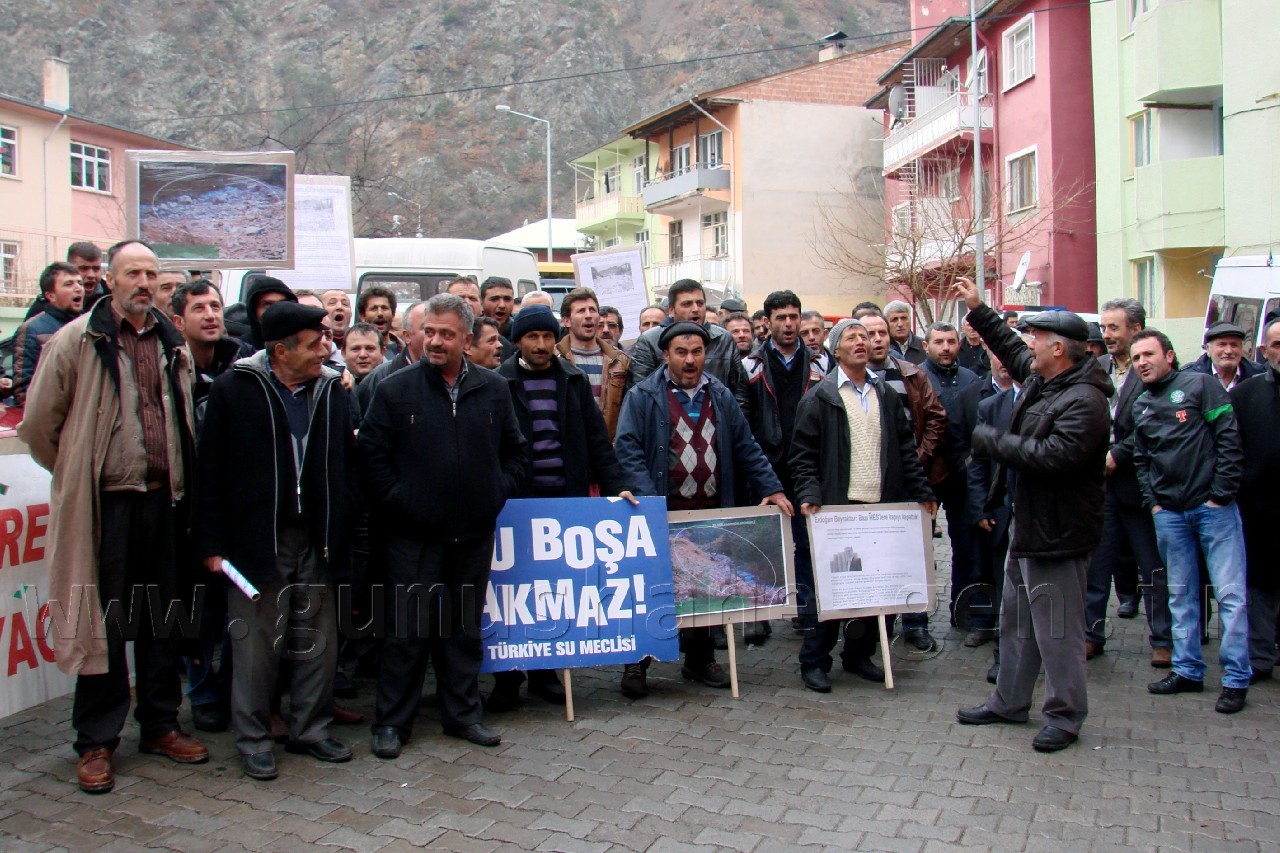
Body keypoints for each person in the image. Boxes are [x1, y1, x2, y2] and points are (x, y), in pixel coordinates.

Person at [19, 240, 207, 793]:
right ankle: (97, 740)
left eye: (151, 273)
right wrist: (79, 469)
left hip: (165, 501)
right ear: (110, 280)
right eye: (132, 273)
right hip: (107, 507)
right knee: (102, 623)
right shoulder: (78, 339)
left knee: (163, 619)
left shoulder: (171, 340)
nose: (143, 283)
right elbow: (39, 426)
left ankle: (160, 725)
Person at [360, 294, 528, 757]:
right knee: (406, 632)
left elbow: (516, 450)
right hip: (413, 536)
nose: (434, 341)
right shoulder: (395, 389)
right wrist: (403, 504)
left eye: (446, 334)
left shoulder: (493, 389)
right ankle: (392, 722)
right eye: (429, 332)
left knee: (462, 631)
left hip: (472, 534)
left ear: (467, 340)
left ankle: (462, 715)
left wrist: (495, 493)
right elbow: (371, 457)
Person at [196, 301, 357, 779]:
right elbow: (210, 471)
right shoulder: (234, 389)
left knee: (319, 641)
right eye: (313, 345)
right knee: (254, 645)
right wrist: (212, 544)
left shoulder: (331, 390)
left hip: (319, 538)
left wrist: (345, 522)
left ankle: (311, 729)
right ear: (281, 351)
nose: (324, 351)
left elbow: (348, 464)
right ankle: (253, 739)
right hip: (256, 540)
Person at [952, 277, 1112, 753]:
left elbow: (1054, 458)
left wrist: (991, 440)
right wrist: (979, 309)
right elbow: (1009, 348)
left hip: (1058, 534)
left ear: (1058, 348)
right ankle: (1010, 702)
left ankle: (1064, 716)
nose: (1028, 346)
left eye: (1036, 339)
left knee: (1058, 631)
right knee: (1018, 622)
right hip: (1029, 526)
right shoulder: (1049, 380)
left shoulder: (1085, 400)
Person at [614, 322, 792, 697]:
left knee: (702, 585)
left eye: (697, 352)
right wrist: (649, 502)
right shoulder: (643, 395)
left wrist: (772, 487)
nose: (690, 359)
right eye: (681, 352)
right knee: (652, 588)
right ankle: (637, 662)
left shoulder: (720, 394)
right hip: (661, 510)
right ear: (666, 355)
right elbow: (627, 449)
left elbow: (745, 446)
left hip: (709, 509)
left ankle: (699, 659)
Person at [488, 304, 639, 710]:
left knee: (553, 592)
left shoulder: (572, 380)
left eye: (546, 337)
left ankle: (545, 673)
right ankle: (507, 678)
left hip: (563, 505)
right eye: (532, 337)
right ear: (518, 341)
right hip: (516, 506)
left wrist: (618, 488)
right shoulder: (498, 382)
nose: (540, 345)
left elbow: (596, 441)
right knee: (513, 593)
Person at [789, 319, 936, 692]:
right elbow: (803, 456)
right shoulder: (820, 397)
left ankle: (858, 655)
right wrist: (809, 494)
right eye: (850, 337)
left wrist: (921, 491)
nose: (860, 342)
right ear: (835, 350)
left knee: (874, 590)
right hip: (837, 512)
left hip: (881, 510)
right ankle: (814, 661)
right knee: (829, 590)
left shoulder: (885, 394)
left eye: (864, 336)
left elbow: (905, 449)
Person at [1131, 329, 1250, 714]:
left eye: (1149, 354)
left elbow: (1229, 440)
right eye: (1136, 358)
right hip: (1170, 515)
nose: (1142, 363)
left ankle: (1236, 679)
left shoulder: (1200, 386)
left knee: (1230, 595)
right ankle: (1187, 670)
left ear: (1169, 355)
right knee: (1180, 596)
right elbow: (1141, 459)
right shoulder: (1141, 405)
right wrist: (1154, 504)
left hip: (1213, 510)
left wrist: (1220, 494)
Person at [169, 277, 246, 732]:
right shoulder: (167, 367)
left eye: (215, 305)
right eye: (199, 308)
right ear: (179, 320)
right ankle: (201, 694)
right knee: (197, 609)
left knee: (237, 606)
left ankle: (235, 688)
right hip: (185, 507)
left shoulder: (242, 364)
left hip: (234, 505)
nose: (211, 314)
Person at [1086, 298, 1171, 665]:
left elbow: (1156, 423)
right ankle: (1091, 634)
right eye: (1104, 327)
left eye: (1114, 328)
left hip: (1139, 486)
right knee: (1096, 566)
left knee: (1152, 567)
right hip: (1100, 488)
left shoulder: (1151, 371)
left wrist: (1118, 454)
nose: (1106, 335)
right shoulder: (1098, 368)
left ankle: (1162, 639)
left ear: (1136, 329)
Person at [743, 291, 828, 648]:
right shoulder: (750, 365)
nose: (789, 324)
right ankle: (758, 613)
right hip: (767, 465)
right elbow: (743, 418)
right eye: (781, 318)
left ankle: (806, 610)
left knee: (807, 543)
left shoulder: (820, 364)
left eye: (794, 316)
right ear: (767, 322)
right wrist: (756, 467)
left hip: (807, 466)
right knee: (761, 543)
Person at [861, 312, 949, 647]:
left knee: (914, 552)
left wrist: (919, 456)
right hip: (871, 481)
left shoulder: (912, 373)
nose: (878, 339)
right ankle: (878, 622)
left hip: (912, 478)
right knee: (875, 555)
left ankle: (916, 623)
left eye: (882, 333)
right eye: (870, 334)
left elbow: (936, 417)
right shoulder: (848, 379)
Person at [922, 322, 981, 649]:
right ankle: (917, 618)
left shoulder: (971, 379)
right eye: (939, 342)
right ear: (926, 345)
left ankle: (963, 609)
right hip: (926, 475)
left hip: (962, 477)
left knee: (966, 545)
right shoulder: (916, 377)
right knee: (920, 548)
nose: (945, 347)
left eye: (951, 341)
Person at [1230, 318, 1280, 683]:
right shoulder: (1245, 395)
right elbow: (1231, 449)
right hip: (1259, 510)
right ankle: (1260, 657)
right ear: (1263, 351)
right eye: (1277, 344)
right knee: (1259, 584)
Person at [967, 346, 1018, 682]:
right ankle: (1005, 657)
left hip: (1044, 517)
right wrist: (982, 507)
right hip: (1003, 513)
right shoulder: (991, 406)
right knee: (1005, 588)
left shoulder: (1053, 402)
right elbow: (979, 463)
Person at [628, 279, 751, 413]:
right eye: (687, 304)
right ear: (671, 310)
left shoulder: (724, 339)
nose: (695, 309)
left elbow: (741, 392)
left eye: (700, 303)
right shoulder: (650, 340)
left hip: (717, 422)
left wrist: (733, 422)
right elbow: (639, 394)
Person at [557, 287, 631, 440]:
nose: (588, 315)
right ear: (566, 321)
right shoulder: (554, 359)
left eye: (592, 310)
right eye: (581, 311)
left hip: (608, 447)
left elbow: (630, 412)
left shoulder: (620, 361)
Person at [13, 262, 84, 406]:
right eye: (68, 284)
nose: (78, 288)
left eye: (79, 283)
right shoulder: (32, 329)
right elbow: (24, 391)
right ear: (50, 295)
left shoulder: (90, 326)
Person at [354, 300, 428, 421]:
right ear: (407, 336)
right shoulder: (379, 379)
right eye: (428, 329)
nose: (436, 338)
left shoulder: (454, 376)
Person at [26, 242, 107, 320]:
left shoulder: (110, 296)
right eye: (83, 268)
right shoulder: (45, 305)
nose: (91, 275)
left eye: (96, 269)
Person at [1183, 321, 1264, 391]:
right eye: (1222, 345)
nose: (1228, 351)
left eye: (1234, 345)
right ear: (1208, 349)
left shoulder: (1259, 375)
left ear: (1242, 349)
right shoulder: (1189, 378)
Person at [242, 275, 297, 352]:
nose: (277, 310)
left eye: (283, 304)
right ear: (253, 312)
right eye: (268, 306)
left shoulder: (303, 344)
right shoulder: (241, 351)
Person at [357, 284, 400, 353]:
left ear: (393, 314)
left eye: (384, 308)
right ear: (362, 316)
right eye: (374, 309)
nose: (380, 313)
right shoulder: (355, 353)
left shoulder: (406, 351)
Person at [884, 300, 926, 364]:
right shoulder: (882, 349)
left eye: (904, 318)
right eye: (894, 320)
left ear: (910, 320)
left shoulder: (924, 346)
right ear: (886, 323)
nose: (900, 324)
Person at [321, 290, 352, 359]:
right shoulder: (315, 341)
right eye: (332, 303)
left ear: (351, 314)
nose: (339, 307)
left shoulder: (360, 340)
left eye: (345, 304)